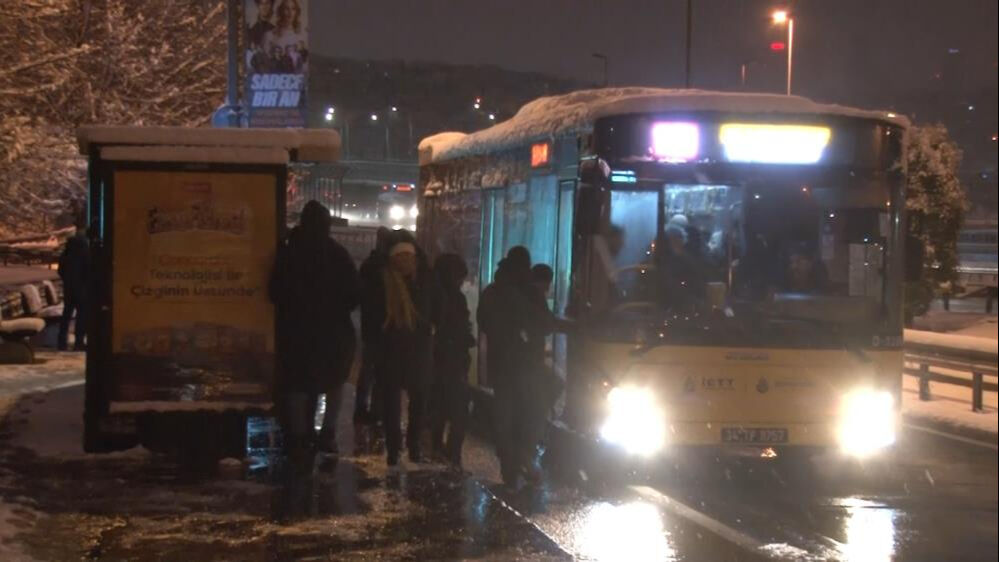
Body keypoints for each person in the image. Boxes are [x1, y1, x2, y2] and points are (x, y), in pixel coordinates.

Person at [269, 200, 360, 466]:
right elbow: (354, 294)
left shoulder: (290, 253)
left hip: (297, 332)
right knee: (334, 383)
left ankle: (299, 437)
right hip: (333, 333)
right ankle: (327, 434)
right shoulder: (338, 254)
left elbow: (275, 291)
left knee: (297, 384)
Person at [478, 246, 537, 485]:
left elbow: (484, 322)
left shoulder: (493, 292)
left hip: (501, 363)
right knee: (525, 415)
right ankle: (522, 459)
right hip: (525, 366)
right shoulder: (528, 292)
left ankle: (509, 465)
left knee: (505, 417)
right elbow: (541, 323)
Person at [376, 235, 434, 467]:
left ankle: (404, 447)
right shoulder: (419, 282)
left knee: (406, 402)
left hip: (406, 352)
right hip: (400, 352)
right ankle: (403, 447)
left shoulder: (421, 282)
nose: (405, 261)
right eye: (401, 257)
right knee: (405, 402)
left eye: (408, 256)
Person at [429, 253, 475, 468]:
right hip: (448, 361)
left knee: (441, 408)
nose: (461, 282)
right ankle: (450, 454)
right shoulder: (450, 298)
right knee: (456, 411)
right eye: (459, 277)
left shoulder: (438, 294)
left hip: (445, 360)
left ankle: (440, 450)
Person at [354, 227, 391, 445]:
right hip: (384, 328)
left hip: (370, 327)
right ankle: (376, 411)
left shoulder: (368, 265)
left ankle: (361, 409)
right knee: (380, 373)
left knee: (367, 371)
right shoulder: (388, 268)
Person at [57, 222, 91, 351]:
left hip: (69, 288)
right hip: (82, 288)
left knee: (66, 315)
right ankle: (79, 342)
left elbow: (60, 270)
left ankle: (61, 342)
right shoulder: (85, 250)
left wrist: (67, 279)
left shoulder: (67, 251)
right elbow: (89, 269)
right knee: (81, 316)